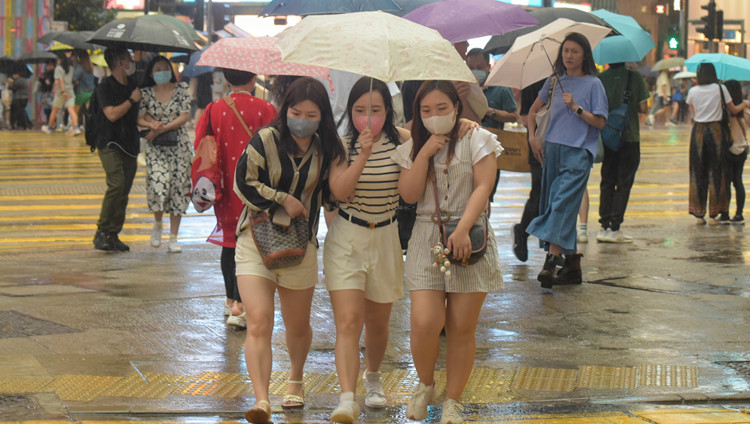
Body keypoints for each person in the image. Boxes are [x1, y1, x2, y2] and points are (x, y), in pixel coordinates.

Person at [233, 77, 346, 424]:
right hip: (255, 241)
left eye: (310, 114)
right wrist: (283, 199)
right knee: (258, 321)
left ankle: (295, 378)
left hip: (300, 245)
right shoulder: (266, 139)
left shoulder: (328, 148)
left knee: (297, 327)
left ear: (321, 116)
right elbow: (243, 182)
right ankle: (262, 400)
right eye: (296, 112)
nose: (302, 119)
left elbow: (332, 195)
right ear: (286, 111)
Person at [393, 80, 502, 424]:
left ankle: (453, 400)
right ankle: (425, 384)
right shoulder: (412, 145)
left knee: (461, 327)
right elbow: (409, 195)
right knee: (425, 320)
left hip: (470, 237)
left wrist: (462, 228)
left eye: (442, 109)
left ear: (456, 108)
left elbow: (484, 185)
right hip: (427, 236)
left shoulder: (478, 139)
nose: (434, 116)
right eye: (426, 111)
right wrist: (424, 152)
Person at [325, 77, 408, 422]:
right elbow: (340, 191)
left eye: (375, 110)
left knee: (378, 322)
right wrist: (363, 154)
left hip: (386, 236)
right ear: (350, 112)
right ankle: (347, 397)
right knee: (348, 321)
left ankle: (372, 378)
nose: (367, 118)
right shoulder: (342, 145)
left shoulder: (404, 142)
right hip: (347, 236)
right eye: (360, 111)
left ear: (387, 111)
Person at [194, 68, 277, 328]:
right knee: (251, 244)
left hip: (226, 187)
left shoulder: (213, 109)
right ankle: (241, 305)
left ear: (227, 80)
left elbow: (201, 143)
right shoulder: (267, 109)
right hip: (256, 187)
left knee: (229, 242)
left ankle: (231, 299)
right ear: (253, 80)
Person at [526, 32, 608, 288]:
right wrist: (532, 138)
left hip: (579, 151)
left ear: (584, 54)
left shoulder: (594, 84)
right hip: (551, 150)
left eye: (574, 51)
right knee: (558, 205)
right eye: (566, 51)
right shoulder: (553, 82)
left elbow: (601, 122)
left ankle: (551, 261)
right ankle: (572, 266)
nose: (569, 55)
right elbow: (532, 112)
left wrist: (577, 109)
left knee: (561, 204)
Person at [137, 56, 192, 253]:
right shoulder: (145, 93)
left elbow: (185, 116)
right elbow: (140, 117)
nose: (162, 72)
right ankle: (158, 224)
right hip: (156, 147)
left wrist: (163, 128)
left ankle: (174, 237)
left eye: (165, 68)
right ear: (151, 73)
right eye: (157, 69)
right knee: (158, 184)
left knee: (178, 188)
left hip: (179, 146)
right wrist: (151, 125)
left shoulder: (182, 89)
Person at [91, 47, 142, 251]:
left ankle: (113, 234)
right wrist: (131, 100)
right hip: (109, 142)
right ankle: (101, 231)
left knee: (124, 191)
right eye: (128, 58)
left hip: (129, 143)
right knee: (117, 184)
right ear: (120, 62)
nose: (131, 62)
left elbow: (137, 115)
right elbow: (111, 114)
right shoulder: (105, 86)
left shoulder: (133, 85)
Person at [686, 64, 748, 225]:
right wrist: (746, 104)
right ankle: (716, 211)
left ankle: (699, 212)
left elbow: (693, 113)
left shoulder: (693, 91)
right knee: (718, 171)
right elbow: (733, 110)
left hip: (698, 132)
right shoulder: (720, 89)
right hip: (716, 132)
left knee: (698, 171)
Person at [595, 62, 650, 243]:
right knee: (624, 183)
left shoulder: (601, 79)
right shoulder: (635, 77)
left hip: (608, 136)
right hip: (629, 137)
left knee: (607, 180)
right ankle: (615, 227)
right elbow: (644, 109)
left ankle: (603, 226)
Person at [510, 79, 546, 262]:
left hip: (564, 144)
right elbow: (524, 117)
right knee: (539, 194)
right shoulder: (534, 82)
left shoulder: (568, 79)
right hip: (538, 146)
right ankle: (522, 231)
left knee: (557, 197)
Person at [724, 80, 747, 225]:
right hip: (743, 148)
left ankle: (725, 212)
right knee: (737, 181)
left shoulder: (727, 111)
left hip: (729, 149)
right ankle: (739, 213)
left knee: (726, 182)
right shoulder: (742, 111)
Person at [43, 56, 79, 135]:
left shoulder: (58, 68)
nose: (57, 61)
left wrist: (63, 92)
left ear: (61, 60)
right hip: (70, 91)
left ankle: (49, 128)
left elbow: (60, 81)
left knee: (55, 110)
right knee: (71, 110)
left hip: (61, 93)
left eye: (58, 59)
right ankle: (76, 128)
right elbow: (75, 80)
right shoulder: (71, 68)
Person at [73, 50, 96, 134]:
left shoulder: (80, 67)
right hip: (91, 92)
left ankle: (74, 128)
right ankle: (92, 129)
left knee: (74, 112)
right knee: (89, 113)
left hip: (81, 92)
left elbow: (74, 78)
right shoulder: (90, 66)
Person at [38, 59, 56, 124]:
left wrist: (50, 84)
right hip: (46, 93)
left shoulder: (54, 73)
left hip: (52, 93)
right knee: (46, 109)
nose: (48, 67)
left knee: (52, 109)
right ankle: (49, 122)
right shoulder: (45, 74)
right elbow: (43, 85)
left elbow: (55, 84)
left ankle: (52, 123)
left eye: (49, 65)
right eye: (47, 65)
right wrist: (41, 79)